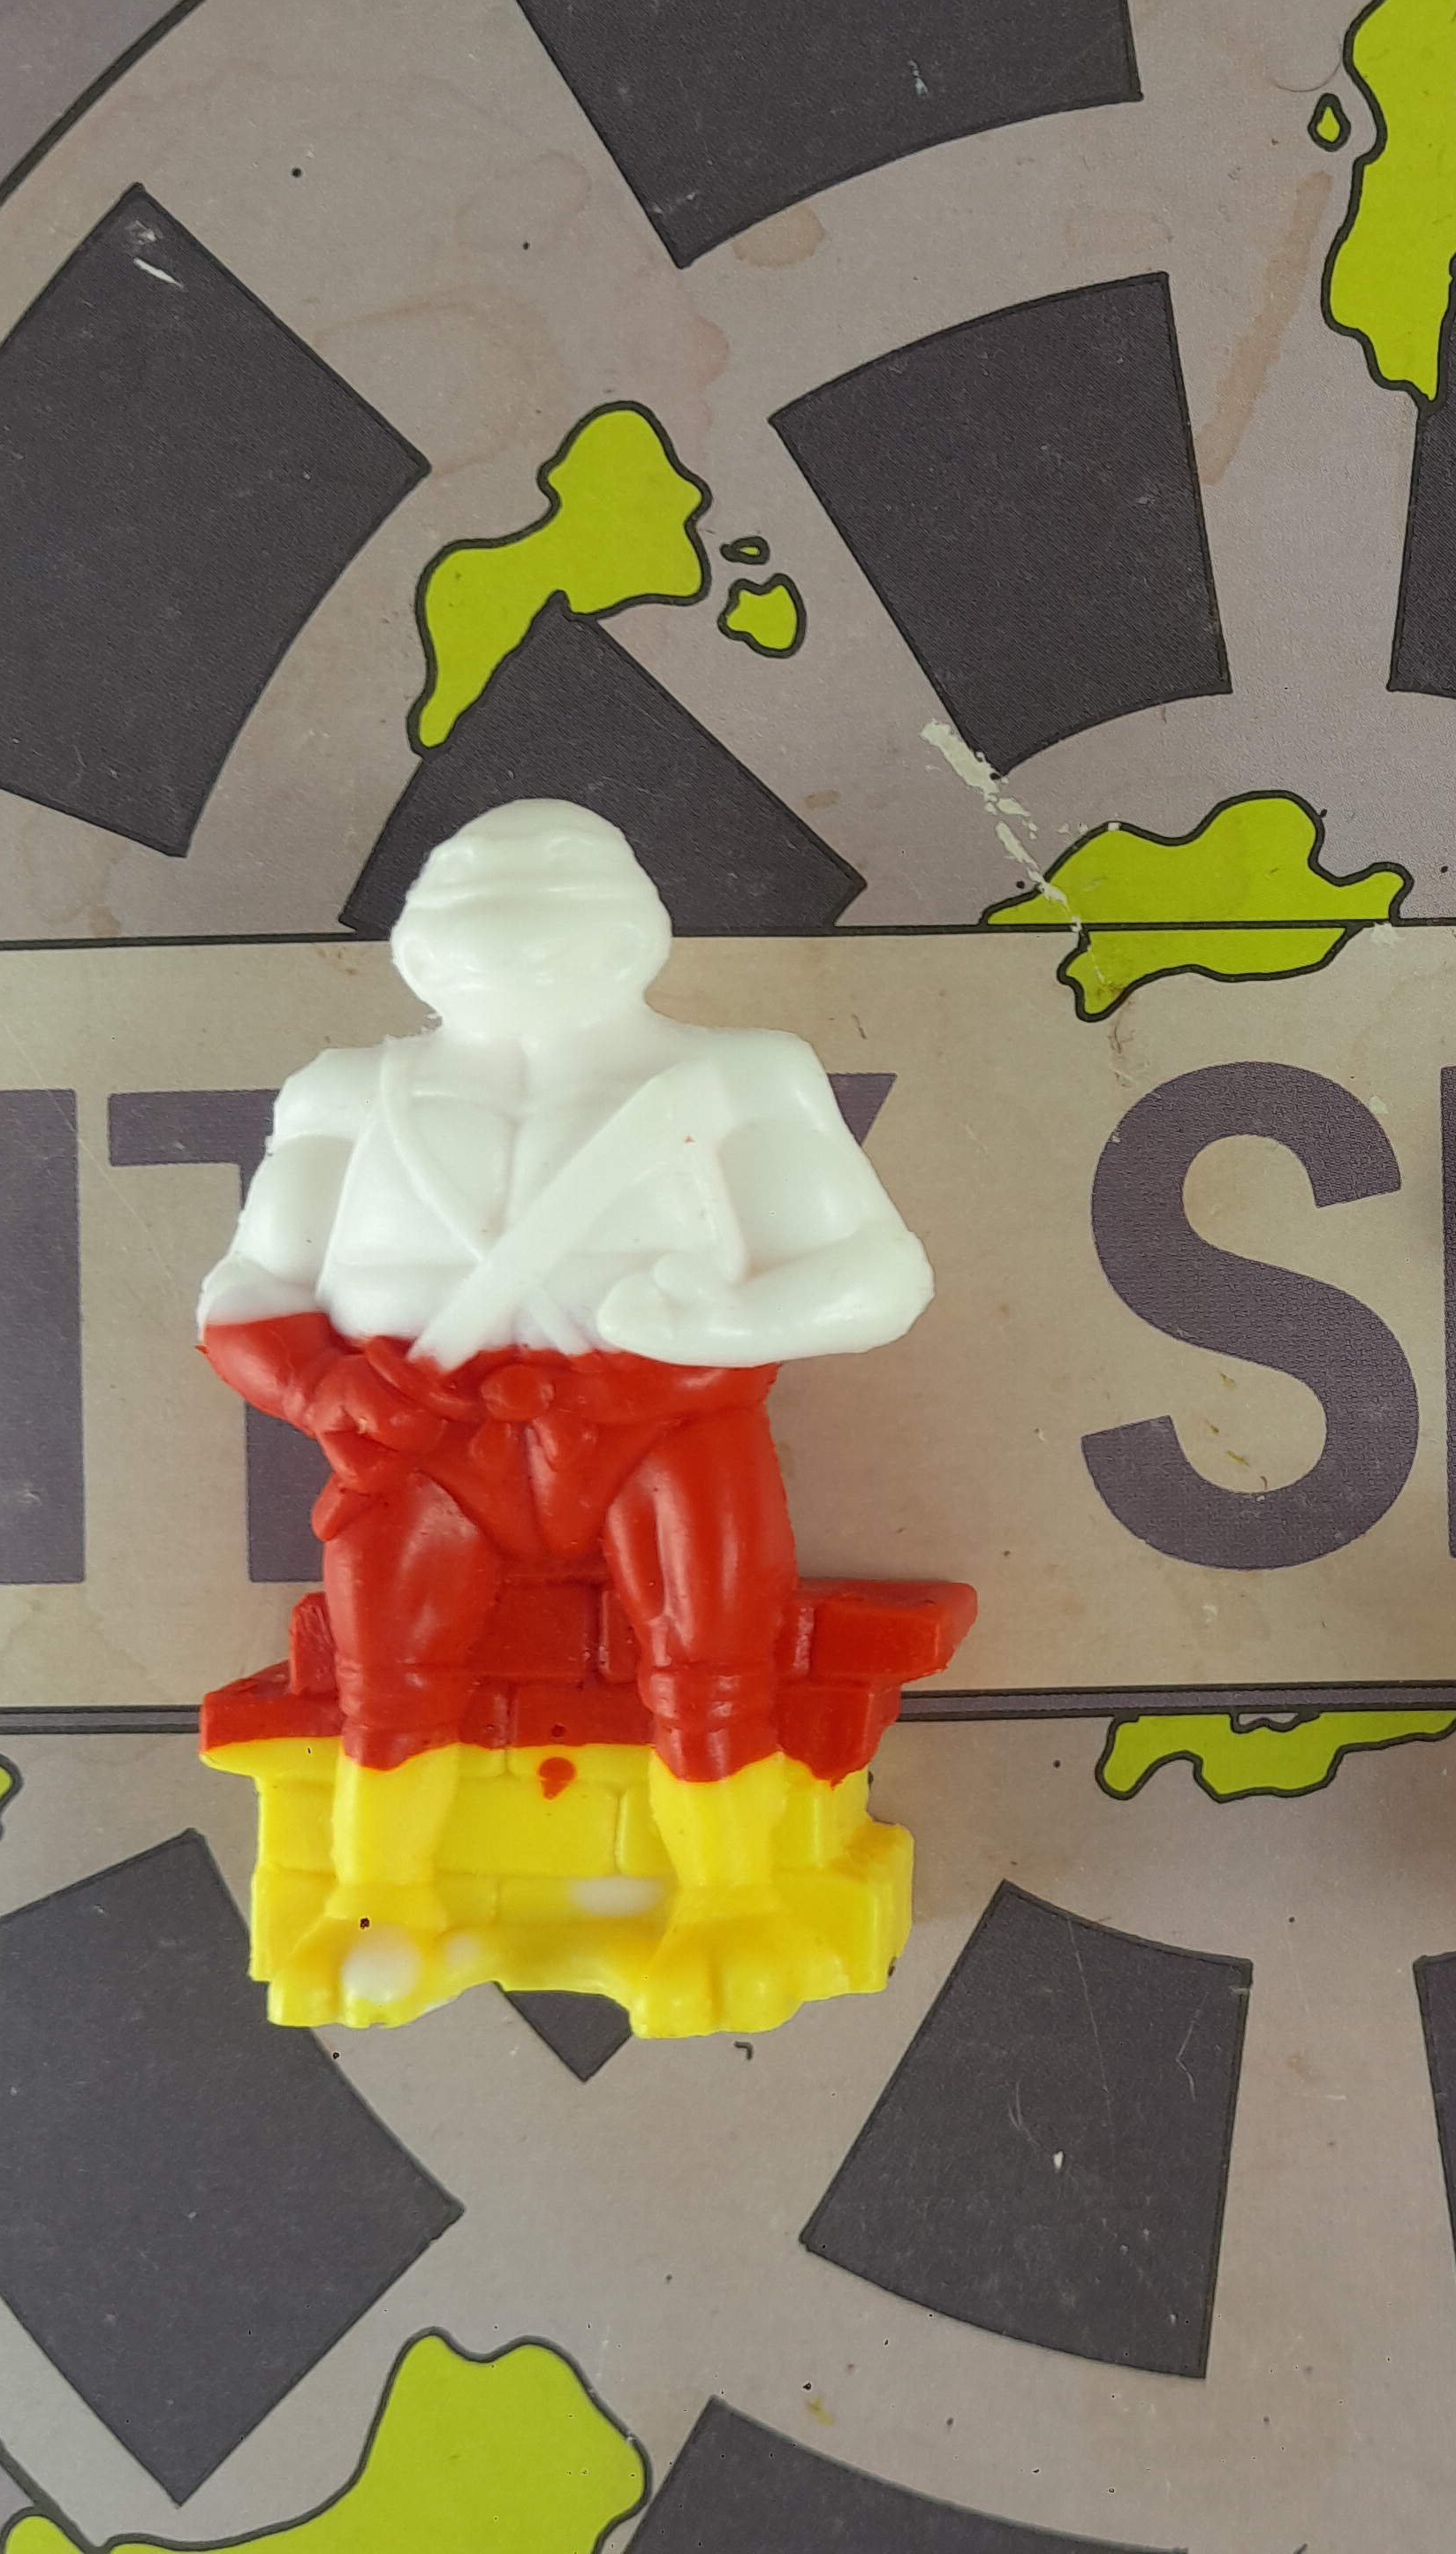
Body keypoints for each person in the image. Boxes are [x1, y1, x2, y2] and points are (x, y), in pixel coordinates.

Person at [199, 799, 933, 2028]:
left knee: (712, 1662)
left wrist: (728, 1323)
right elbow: (246, 1293)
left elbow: (875, 1276)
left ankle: (731, 1903)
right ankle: (381, 1899)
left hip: (661, 1423)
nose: (517, 946)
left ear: (630, 932)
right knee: (385, 1675)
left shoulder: (734, 1078)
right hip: (427, 1438)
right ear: (419, 942)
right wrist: (322, 1386)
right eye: (479, 910)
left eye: (551, 917)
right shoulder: (346, 1093)